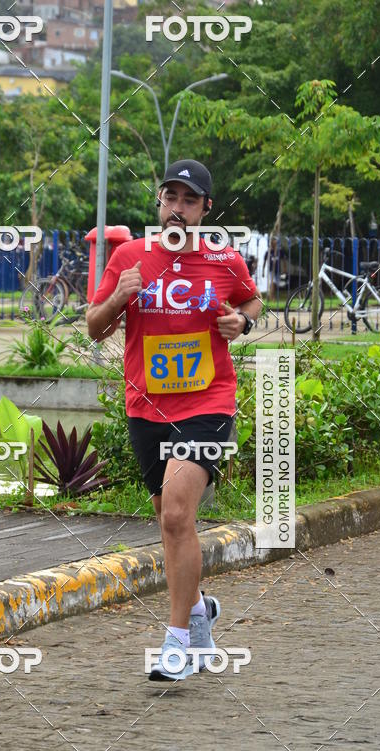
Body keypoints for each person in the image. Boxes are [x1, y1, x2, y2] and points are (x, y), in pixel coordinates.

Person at [86, 159, 262, 681]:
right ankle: (201, 611)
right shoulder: (129, 256)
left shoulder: (224, 258)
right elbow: (95, 328)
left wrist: (243, 322)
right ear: (158, 203)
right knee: (170, 518)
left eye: (189, 201)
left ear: (206, 209)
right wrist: (119, 294)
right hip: (148, 407)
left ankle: (176, 642)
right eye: (171, 198)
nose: (178, 209)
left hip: (208, 402)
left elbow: (253, 302)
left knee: (177, 515)